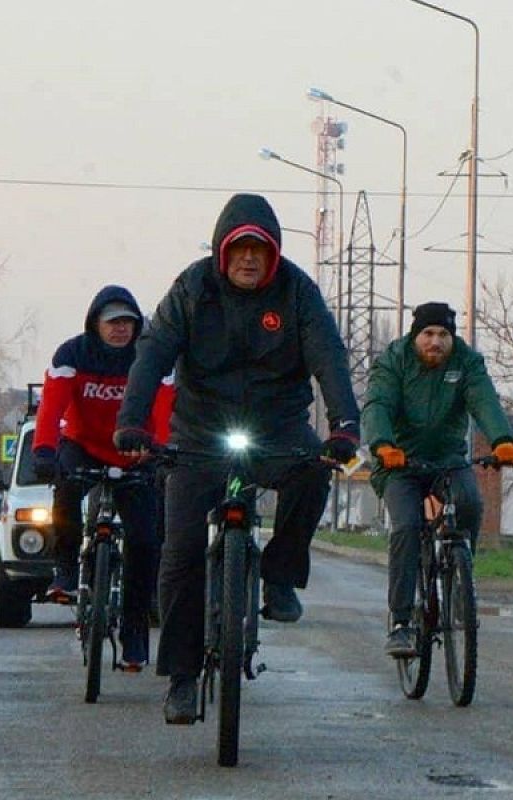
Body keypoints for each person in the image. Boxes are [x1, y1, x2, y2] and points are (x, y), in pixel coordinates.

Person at [114, 193, 360, 725]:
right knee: (178, 553)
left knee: (314, 476)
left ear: (273, 253)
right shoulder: (192, 288)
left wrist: (344, 427)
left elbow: (329, 359)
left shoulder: (297, 293)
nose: (249, 259)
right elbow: (153, 350)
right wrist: (131, 422)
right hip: (200, 435)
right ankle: (181, 678)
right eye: (239, 249)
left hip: (278, 430)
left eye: (259, 249)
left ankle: (279, 575)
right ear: (223, 251)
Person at [361, 302, 513, 658]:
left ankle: (460, 583)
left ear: (453, 337)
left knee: (470, 503)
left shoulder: (466, 361)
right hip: (399, 463)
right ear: (415, 335)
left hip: (448, 460)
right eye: (429, 334)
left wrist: (502, 439)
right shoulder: (394, 360)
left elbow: (484, 399)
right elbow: (378, 404)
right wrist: (383, 444)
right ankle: (401, 622)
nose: (436, 342)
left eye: (444, 335)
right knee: (406, 526)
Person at [31, 285, 174, 672]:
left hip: (134, 452)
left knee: (145, 541)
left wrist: (160, 448)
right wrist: (44, 449)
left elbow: (164, 405)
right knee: (66, 488)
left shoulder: (149, 356)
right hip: (84, 445)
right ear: (96, 323)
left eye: (127, 322)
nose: (120, 329)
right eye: (112, 322)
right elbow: (52, 403)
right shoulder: (73, 354)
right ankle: (64, 570)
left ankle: (134, 634)